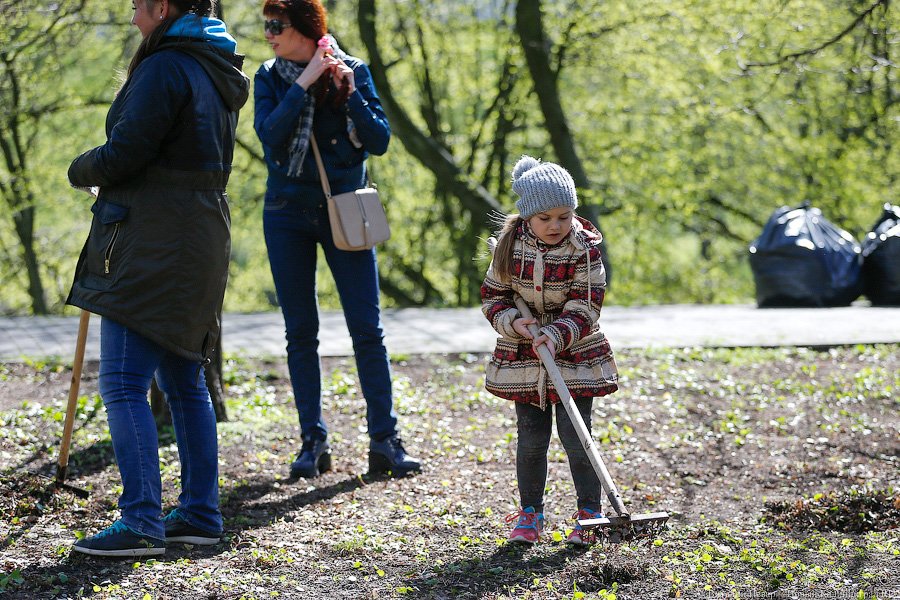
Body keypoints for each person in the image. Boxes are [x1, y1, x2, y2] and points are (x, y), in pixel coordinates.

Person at [66, 0, 249, 557]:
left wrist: (82, 168)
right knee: (184, 380)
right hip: (197, 236)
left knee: (122, 383)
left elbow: (127, 151)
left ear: (163, 6)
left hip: (154, 241)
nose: (129, 14)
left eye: (136, 4)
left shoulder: (167, 64)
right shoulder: (214, 64)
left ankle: (141, 522)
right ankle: (198, 514)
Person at [253, 0, 420, 479]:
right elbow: (270, 135)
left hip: (345, 211)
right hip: (286, 214)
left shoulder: (354, 70)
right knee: (300, 333)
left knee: (367, 330)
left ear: (306, 28)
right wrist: (302, 85)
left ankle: (385, 441)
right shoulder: (270, 77)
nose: (268, 34)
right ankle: (313, 441)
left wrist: (347, 93)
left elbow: (380, 140)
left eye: (276, 25)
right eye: (266, 25)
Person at [481, 156, 619, 546]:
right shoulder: (508, 247)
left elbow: (586, 306)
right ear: (527, 217)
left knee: (577, 437)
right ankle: (530, 514)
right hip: (525, 357)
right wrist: (514, 321)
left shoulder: (584, 249)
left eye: (564, 215)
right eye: (545, 218)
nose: (556, 225)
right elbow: (494, 297)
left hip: (575, 354)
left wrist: (557, 334)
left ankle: (590, 513)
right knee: (531, 438)